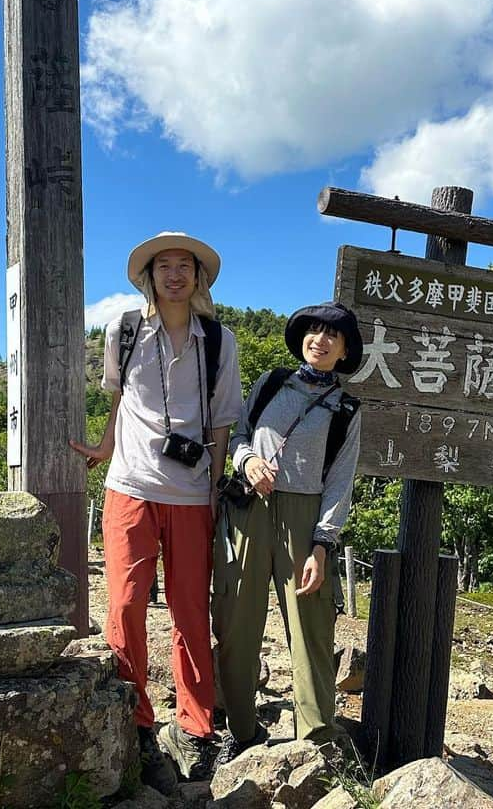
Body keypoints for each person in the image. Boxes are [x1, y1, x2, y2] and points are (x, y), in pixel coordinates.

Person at [70, 232, 242, 789]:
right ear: (149, 276)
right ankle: (138, 723)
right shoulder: (123, 329)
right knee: (124, 606)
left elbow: (221, 419)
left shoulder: (220, 340)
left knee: (191, 613)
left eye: (184, 266)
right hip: (130, 484)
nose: (174, 274)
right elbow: (120, 400)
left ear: (199, 277)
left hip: (192, 492)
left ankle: (196, 729)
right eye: (163, 266)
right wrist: (103, 445)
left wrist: (214, 486)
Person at [212, 302, 364, 766]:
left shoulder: (346, 407)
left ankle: (317, 741)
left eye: (331, 336)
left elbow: (340, 478)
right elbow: (239, 436)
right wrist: (247, 461)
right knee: (237, 621)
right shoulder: (272, 383)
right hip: (247, 510)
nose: (319, 340)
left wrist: (323, 542)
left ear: (343, 352)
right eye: (314, 332)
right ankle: (239, 730)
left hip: (306, 517)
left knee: (311, 629)